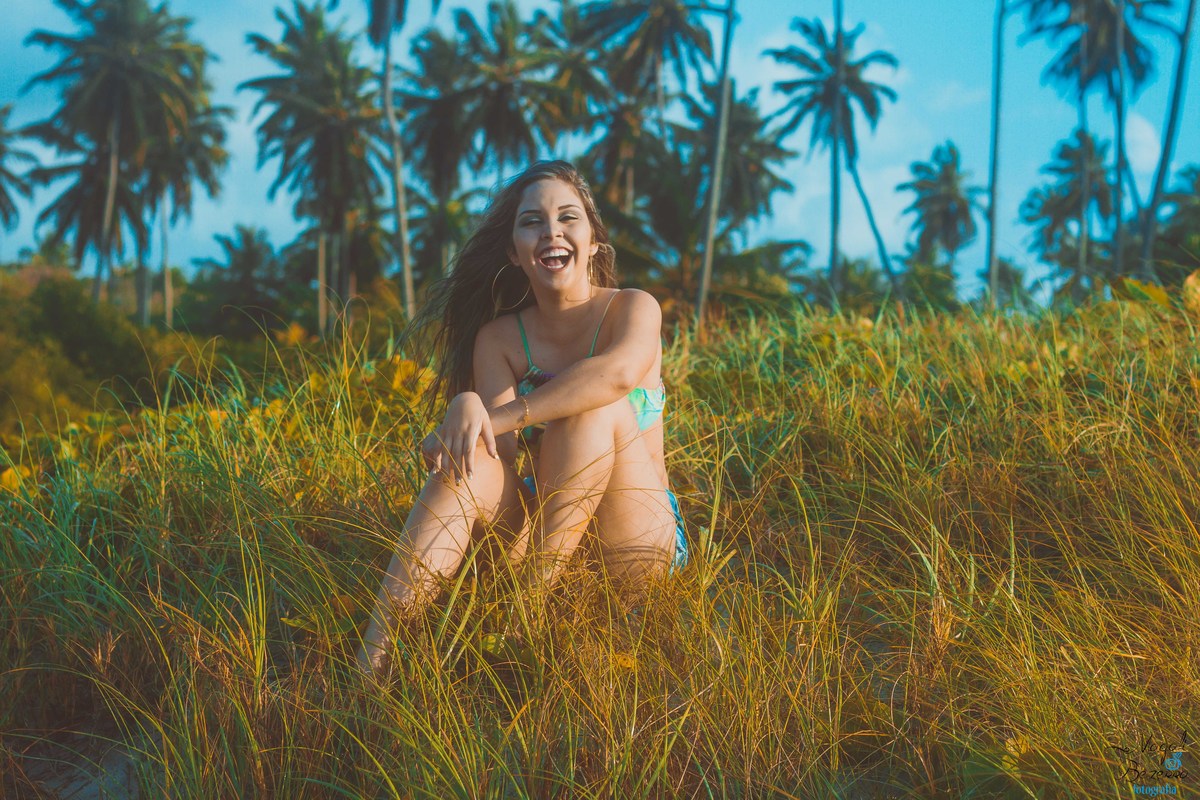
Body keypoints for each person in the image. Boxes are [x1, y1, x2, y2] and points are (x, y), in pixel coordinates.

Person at [358, 160, 688, 675]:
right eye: (532, 221)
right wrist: (465, 408)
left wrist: (498, 415)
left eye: (568, 217)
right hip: (542, 532)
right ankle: (372, 663)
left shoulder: (631, 308)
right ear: (514, 252)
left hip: (634, 542)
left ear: (594, 242)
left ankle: (522, 620)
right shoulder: (500, 340)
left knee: (594, 404)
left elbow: (617, 376)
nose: (551, 230)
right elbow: (500, 460)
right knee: (466, 464)